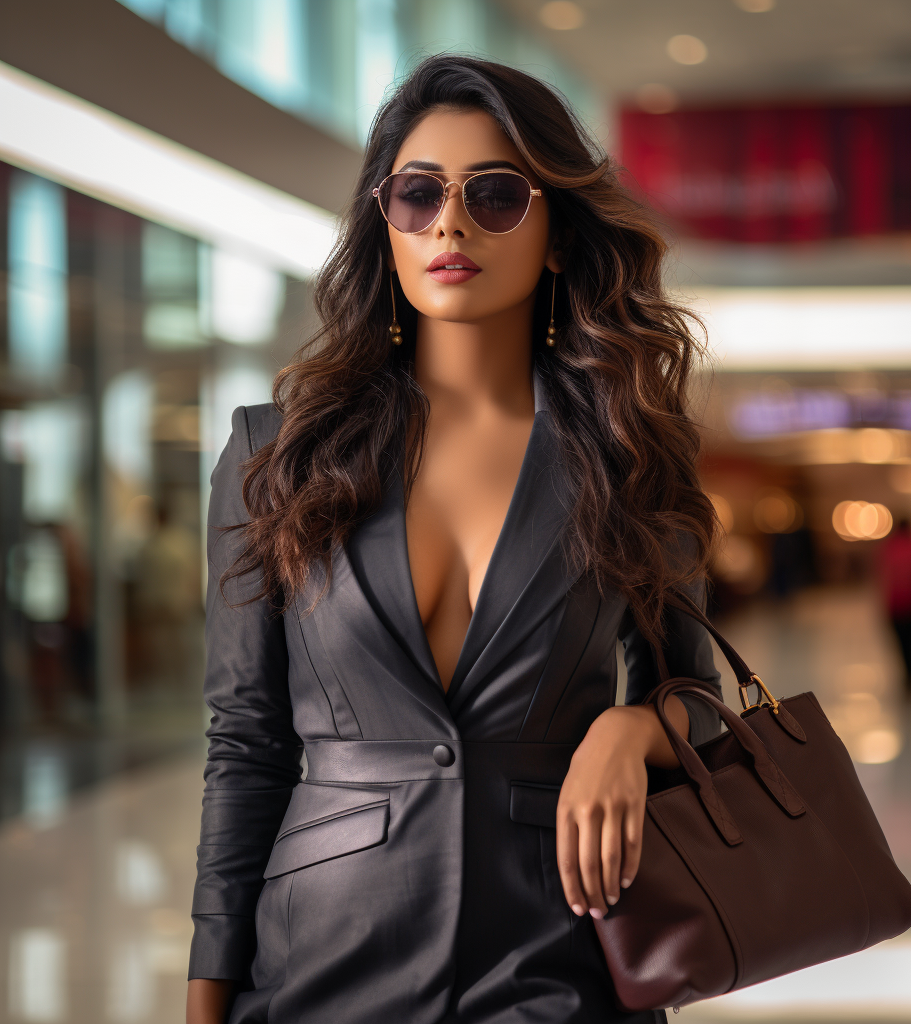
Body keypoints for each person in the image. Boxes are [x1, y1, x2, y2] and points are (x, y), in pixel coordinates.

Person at [186, 55, 722, 1024]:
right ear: (382, 221)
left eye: (497, 194)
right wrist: (207, 997)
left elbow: (703, 704)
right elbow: (246, 746)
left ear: (558, 233)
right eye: (418, 193)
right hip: (322, 964)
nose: (450, 222)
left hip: (558, 959)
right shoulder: (275, 451)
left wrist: (632, 726)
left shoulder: (632, 450)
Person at [878, 518, 911, 700]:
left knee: (901, 644)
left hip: (895, 605)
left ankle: (907, 676)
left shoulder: (889, 549)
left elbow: (883, 579)